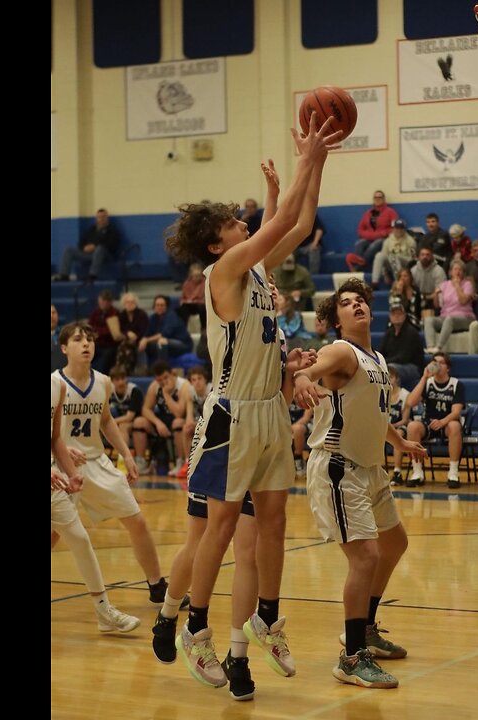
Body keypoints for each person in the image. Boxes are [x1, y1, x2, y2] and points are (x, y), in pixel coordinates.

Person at [161, 113, 340, 689]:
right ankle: (195, 628)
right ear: (218, 243)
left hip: (268, 411)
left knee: (273, 522)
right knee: (217, 530)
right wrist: (307, 154)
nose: (245, 224)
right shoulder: (226, 269)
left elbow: (302, 218)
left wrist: (319, 165)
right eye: (235, 222)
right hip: (231, 415)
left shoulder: (257, 272)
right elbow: (284, 216)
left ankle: (265, 618)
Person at [292, 277, 426, 689]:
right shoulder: (340, 350)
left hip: (370, 468)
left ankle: (365, 628)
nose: (357, 306)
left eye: (360, 301)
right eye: (346, 304)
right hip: (338, 467)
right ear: (337, 320)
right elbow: (311, 371)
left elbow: (372, 411)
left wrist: (398, 439)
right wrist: (301, 377)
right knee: (365, 557)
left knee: (395, 543)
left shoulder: (378, 358)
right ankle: (351, 657)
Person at [52, 322, 180, 613]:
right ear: (63, 348)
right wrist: (63, 451)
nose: (86, 345)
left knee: (137, 520)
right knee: (54, 535)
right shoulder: (55, 384)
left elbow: (107, 420)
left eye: (90, 340)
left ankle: (157, 586)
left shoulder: (104, 382)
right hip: (62, 465)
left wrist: (128, 454)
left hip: (97, 462)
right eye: (77, 340)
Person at [51, 374, 140, 634]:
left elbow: (55, 439)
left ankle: (104, 611)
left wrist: (72, 472)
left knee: (79, 539)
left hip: (55, 479)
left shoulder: (58, 386)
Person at [403, 351, 466, 488]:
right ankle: (417, 472)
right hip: (429, 423)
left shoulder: (456, 384)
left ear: (447, 367)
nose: (437, 365)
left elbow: (456, 412)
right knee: (412, 426)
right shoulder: (428, 382)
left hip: (447, 423)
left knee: (455, 426)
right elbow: (410, 402)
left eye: (441, 363)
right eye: (434, 362)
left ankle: (453, 473)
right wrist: (424, 378)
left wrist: (442, 422)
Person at [54, 208, 121, 281]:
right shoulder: (91, 229)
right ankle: (64, 275)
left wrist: (95, 246)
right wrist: (84, 247)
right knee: (68, 250)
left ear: (107, 218)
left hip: (105, 255)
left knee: (99, 248)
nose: (101, 219)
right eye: (99, 217)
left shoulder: (113, 231)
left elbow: (112, 245)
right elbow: (81, 242)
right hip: (90, 255)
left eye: (103, 217)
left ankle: (92, 275)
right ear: (96, 218)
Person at [426, 260, 476, 354]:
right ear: (450, 272)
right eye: (455, 269)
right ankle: (430, 347)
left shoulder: (467, 284)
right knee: (429, 320)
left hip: (465, 317)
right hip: (444, 316)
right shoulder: (444, 285)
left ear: (464, 273)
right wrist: (436, 295)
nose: (458, 272)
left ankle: (439, 347)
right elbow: (437, 305)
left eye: (460, 270)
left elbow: (463, 300)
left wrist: (457, 286)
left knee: (449, 319)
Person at [348, 190, 399, 270]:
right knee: (359, 243)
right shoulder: (368, 213)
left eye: (380, 197)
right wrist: (370, 235)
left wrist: (383, 233)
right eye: (375, 197)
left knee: (374, 245)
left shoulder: (391, 212)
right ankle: (358, 264)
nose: (377, 199)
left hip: (383, 239)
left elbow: (395, 229)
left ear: (384, 199)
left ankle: (357, 267)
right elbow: (360, 230)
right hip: (368, 239)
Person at [138, 295, 192, 367]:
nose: (159, 307)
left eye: (162, 305)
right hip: (166, 343)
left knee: (162, 342)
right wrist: (144, 339)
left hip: (182, 344)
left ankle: (163, 370)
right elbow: (147, 333)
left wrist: (146, 340)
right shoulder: (153, 318)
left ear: (166, 306)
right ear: (154, 306)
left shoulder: (171, 316)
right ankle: (143, 369)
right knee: (142, 344)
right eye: (157, 305)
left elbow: (164, 334)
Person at [380, 301, 425, 383]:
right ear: (390, 317)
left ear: (404, 316)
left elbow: (404, 358)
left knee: (391, 369)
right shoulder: (389, 332)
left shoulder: (411, 333)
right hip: (393, 363)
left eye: (399, 314)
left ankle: (393, 394)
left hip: (413, 367)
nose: (396, 316)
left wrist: (384, 362)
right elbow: (381, 352)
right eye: (394, 314)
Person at [384, 366, 412, 486]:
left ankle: (397, 472)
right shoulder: (381, 393)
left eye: (391, 377)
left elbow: (405, 420)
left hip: (401, 426)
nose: (389, 380)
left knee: (398, 434)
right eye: (386, 377)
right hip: (384, 427)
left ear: (396, 379)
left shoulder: (405, 394)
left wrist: (393, 426)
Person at [370, 219, 417, 289]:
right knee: (379, 255)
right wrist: (385, 274)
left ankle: (399, 281)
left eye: (401, 228)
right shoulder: (388, 241)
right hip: (392, 264)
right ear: (393, 229)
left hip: (406, 263)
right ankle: (375, 282)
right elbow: (384, 257)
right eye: (397, 228)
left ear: (404, 229)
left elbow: (413, 259)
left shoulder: (410, 241)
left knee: (394, 256)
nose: (399, 230)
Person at [178, 263, 208, 331]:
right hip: (189, 304)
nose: (197, 277)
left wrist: (193, 301)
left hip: (201, 304)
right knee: (181, 308)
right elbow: (182, 298)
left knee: (202, 308)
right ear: (191, 275)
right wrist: (185, 301)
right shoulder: (187, 283)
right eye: (195, 276)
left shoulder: (206, 282)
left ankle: (204, 328)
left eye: (198, 275)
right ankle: (183, 329)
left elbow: (205, 299)